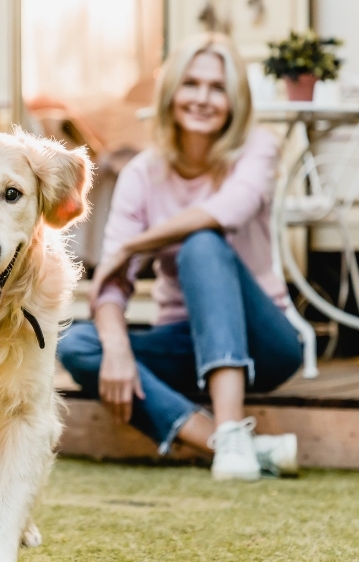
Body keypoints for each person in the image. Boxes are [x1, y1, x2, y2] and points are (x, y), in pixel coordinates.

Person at [57, 33, 304, 481]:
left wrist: (136, 245)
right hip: (184, 342)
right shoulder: (142, 175)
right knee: (78, 344)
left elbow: (225, 212)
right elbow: (112, 284)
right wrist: (115, 347)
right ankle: (231, 446)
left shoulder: (258, 148)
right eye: (192, 84)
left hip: (264, 344)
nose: (203, 98)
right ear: (172, 92)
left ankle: (230, 426)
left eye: (217, 87)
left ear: (235, 100)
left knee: (203, 243)